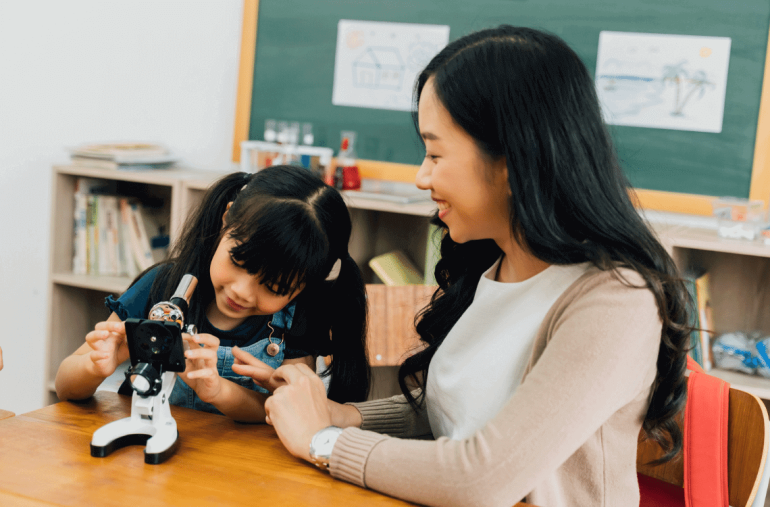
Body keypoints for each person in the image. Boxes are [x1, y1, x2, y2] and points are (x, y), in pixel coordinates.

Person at [237, 26, 691, 507]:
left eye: (435, 153)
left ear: (513, 161)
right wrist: (335, 415)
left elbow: (481, 478)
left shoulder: (616, 300)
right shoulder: (494, 264)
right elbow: (454, 414)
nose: (421, 176)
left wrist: (323, 441)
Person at [55, 165, 371, 420]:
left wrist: (219, 391)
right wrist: (93, 367)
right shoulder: (162, 286)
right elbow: (65, 386)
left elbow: (288, 410)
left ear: (305, 286)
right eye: (238, 261)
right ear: (226, 219)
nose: (242, 291)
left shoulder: (296, 317)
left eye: (274, 287)